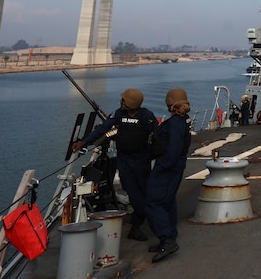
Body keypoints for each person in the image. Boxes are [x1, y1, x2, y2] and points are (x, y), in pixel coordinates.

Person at [71, 88, 156, 241]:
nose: (121, 102)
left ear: (131, 103)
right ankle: (137, 223)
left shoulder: (146, 116)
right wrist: (84, 141)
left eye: (124, 100)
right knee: (134, 194)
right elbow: (103, 129)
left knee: (144, 193)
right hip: (124, 161)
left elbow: (157, 136)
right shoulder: (118, 114)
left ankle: (139, 221)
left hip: (141, 161)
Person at [146, 88, 192, 263]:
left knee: (153, 202)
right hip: (176, 165)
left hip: (167, 167)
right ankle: (169, 236)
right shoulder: (182, 121)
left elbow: (172, 149)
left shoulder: (174, 124)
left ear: (170, 103)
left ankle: (167, 239)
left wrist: (162, 167)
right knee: (168, 201)